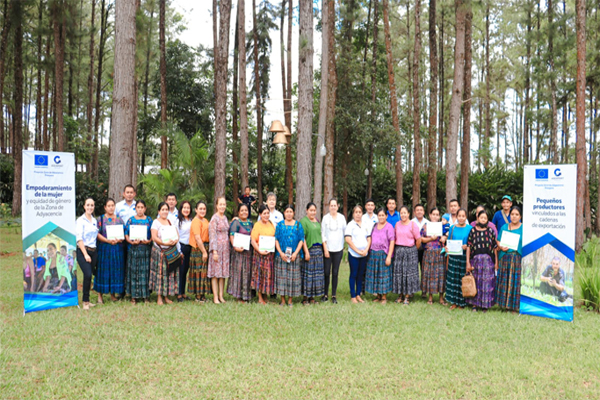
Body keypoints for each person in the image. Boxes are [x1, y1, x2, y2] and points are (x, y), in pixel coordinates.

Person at [466, 209, 498, 312]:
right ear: (477, 219)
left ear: (487, 220)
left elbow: (495, 248)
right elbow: (468, 247)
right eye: (481, 217)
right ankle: (474, 305)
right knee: (476, 282)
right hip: (475, 261)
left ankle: (485, 305)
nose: (483, 219)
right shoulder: (472, 231)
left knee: (486, 282)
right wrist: (467, 262)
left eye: (485, 218)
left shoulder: (490, 231)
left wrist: (496, 262)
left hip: (488, 261)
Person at [95, 198, 125, 303]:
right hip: (104, 248)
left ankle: (113, 294)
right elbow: (97, 234)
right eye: (109, 206)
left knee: (114, 271)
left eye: (113, 205)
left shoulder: (119, 219)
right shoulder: (100, 219)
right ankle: (100, 296)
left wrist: (119, 239)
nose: (111, 207)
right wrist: (107, 240)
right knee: (102, 271)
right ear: (105, 207)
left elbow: (124, 234)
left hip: (117, 249)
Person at [274, 205, 305, 307]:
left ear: (294, 213)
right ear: (284, 213)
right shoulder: (279, 225)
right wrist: (281, 253)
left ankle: (290, 300)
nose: (289, 213)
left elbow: (301, 239)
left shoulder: (298, 225)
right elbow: (276, 239)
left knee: (292, 278)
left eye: (291, 211)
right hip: (281, 255)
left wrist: (296, 253)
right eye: (287, 211)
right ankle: (282, 300)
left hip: (294, 256)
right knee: (282, 277)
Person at [150, 202, 180, 305]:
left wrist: (175, 241)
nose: (165, 211)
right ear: (159, 211)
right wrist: (164, 243)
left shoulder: (170, 222)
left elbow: (177, 235)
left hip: (170, 252)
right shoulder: (155, 222)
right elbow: (154, 237)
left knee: (168, 274)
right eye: (162, 209)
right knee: (160, 275)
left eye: (166, 209)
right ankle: (159, 297)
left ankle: (166, 296)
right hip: (160, 252)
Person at [124, 200, 152, 304]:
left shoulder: (149, 220)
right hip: (134, 249)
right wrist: (130, 241)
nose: (140, 209)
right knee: (134, 272)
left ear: (145, 208)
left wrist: (149, 241)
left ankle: (146, 296)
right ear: (135, 208)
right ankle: (133, 297)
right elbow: (126, 233)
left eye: (142, 207)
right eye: (138, 207)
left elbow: (153, 233)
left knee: (145, 272)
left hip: (145, 250)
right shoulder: (131, 220)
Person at [392, 206, 422, 305]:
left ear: (409, 214)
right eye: (401, 213)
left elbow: (418, 240)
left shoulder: (413, 225)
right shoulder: (397, 224)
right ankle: (400, 294)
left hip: (410, 251)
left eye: (405, 213)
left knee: (409, 275)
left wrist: (412, 250)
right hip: (399, 251)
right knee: (399, 273)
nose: (403, 215)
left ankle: (408, 296)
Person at [364, 208, 395, 304]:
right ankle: (378, 295)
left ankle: (384, 297)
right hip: (373, 254)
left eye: (383, 215)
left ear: (386, 216)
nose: (381, 217)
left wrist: (389, 256)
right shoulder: (375, 226)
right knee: (375, 275)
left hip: (383, 254)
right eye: (379, 215)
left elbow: (392, 242)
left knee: (383, 275)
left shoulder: (389, 227)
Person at [496, 206, 523, 312]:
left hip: (517, 258)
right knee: (504, 280)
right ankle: (504, 305)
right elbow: (498, 240)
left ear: (520, 216)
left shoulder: (523, 228)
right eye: (512, 214)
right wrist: (501, 246)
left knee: (515, 282)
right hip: (505, 257)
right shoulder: (504, 227)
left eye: (517, 214)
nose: (514, 217)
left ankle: (513, 306)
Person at [444, 208, 473, 310]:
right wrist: (446, 248)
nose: (461, 218)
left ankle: (462, 302)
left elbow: (472, 243)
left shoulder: (470, 228)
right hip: (453, 257)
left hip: (464, 256)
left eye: (463, 216)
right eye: (459, 216)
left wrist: (467, 246)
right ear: (456, 217)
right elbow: (448, 242)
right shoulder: (452, 228)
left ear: (466, 217)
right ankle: (454, 302)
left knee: (462, 279)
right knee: (453, 279)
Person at [321, 198, 346, 303]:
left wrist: (343, 245)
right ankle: (325, 294)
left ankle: (334, 295)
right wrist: (325, 249)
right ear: (329, 206)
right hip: (328, 249)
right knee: (326, 272)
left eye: (335, 205)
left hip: (338, 249)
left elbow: (345, 232)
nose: (333, 207)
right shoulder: (325, 218)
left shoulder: (341, 218)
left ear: (338, 206)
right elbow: (323, 234)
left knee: (335, 272)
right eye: (331, 205)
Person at [420, 207, 447, 305]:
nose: (435, 216)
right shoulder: (425, 226)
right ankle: (430, 297)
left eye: (437, 214)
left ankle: (441, 298)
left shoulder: (443, 226)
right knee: (430, 275)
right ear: (430, 215)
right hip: (429, 252)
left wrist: (444, 237)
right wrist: (431, 239)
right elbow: (421, 239)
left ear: (439, 216)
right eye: (433, 214)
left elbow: (447, 235)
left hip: (439, 252)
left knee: (440, 275)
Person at [227, 203, 254, 302]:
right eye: (242, 210)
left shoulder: (251, 223)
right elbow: (232, 236)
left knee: (247, 273)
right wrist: (235, 247)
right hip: (238, 252)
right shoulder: (236, 223)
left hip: (248, 252)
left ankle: (247, 295)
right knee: (239, 273)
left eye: (246, 210)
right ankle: (238, 296)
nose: (244, 212)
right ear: (238, 212)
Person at [345, 205, 371, 304]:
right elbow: (348, 239)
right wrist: (357, 251)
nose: (358, 214)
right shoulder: (350, 225)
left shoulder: (365, 224)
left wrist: (366, 250)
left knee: (360, 275)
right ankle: (352, 296)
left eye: (360, 212)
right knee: (354, 274)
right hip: (354, 254)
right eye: (356, 212)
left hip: (364, 254)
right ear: (353, 214)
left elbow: (369, 238)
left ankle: (358, 294)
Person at [300, 202, 325, 305]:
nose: (313, 212)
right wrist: (306, 251)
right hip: (309, 250)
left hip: (318, 251)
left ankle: (312, 297)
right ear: (306, 211)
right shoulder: (303, 221)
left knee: (316, 275)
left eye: (314, 210)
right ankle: (305, 298)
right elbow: (303, 238)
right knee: (308, 275)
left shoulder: (317, 221)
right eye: (311, 210)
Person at [251, 205, 276, 304]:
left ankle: (265, 297)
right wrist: (259, 250)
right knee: (259, 275)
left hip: (269, 254)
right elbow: (252, 240)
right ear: (260, 214)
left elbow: (274, 236)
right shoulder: (257, 225)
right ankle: (260, 298)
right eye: (264, 213)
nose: (266, 215)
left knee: (267, 275)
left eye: (268, 213)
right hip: (260, 254)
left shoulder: (271, 224)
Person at [76, 198, 98, 310]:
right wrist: (85, 254)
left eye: (92, 205)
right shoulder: (80, 221)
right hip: (83, 251)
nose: (90, 207)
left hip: (94, 251)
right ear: (84, 206)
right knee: (88, 274)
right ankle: (85, 301)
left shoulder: (94, 220)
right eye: (88, 205)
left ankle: (88, 300)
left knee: (89, 277)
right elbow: (79, 239)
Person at [208, 197, 230, 304]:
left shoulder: (225, 218)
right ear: (216, 206)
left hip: (225, 250)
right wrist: (214, 251)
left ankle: (221, 296)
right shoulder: (214, 219)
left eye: (224, 204)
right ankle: (215, 297)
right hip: (217, 249)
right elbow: (212, 235)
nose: (222, 206)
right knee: (216, 274)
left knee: (222, 274)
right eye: (220, 204)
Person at [188, 201, 211, 302]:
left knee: (204, 272)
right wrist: (204, 252)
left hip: (206, 246)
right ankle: (198, 295)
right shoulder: (195, 221)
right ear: (196, 210)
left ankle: (202, 294)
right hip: (198, 249)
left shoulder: (205, 220)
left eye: (204, 209)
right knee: (198, 272)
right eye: (200, 209)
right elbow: (197, 237)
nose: (202, 211)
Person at [177, 201, 193, 302]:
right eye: (184, 208)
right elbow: (176, 236)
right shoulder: (178, 221)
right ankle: (179, 294)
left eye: (188, 208)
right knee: (181, 271)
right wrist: (179, 251)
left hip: (190, 247)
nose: (186, 210)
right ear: (181, 209)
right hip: (181, 247)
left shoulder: (191, 220)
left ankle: (183, 293)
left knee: (185, 270)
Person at [412, 203, 429, 293]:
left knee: (424, 269)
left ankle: (424, 290)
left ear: (424, 212)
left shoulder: (428, 223)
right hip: (414, 248)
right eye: (417, 210)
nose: (419, 212)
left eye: (421, 210)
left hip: (425, 249)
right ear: (414, 212)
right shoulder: (411, 222)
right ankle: (413, 290)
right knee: (413, 269)